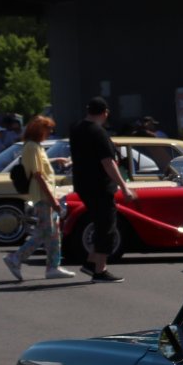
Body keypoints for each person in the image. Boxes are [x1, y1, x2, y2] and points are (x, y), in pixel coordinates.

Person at [68, 97, 135, 282]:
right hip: (100, 185)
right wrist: (124, 186)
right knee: (107, 226)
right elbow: (108, 162)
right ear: (105, 112)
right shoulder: (98, 132)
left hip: (83, 184)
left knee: (100, 223)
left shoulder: (77, 128)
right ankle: (100, 270)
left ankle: (91, 263)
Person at [3, 115, 73, 281]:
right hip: (43, 196)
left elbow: (39, 166)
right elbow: (38, 175)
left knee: (53, 232)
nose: (50, 132)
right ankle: (16, 258)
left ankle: (53, 266)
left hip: (46, 195)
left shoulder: (35, 147)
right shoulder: (32, 147)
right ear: (39, 129)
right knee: (45, 232)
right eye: (48, 129)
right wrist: (53, 200)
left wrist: (56, 160)